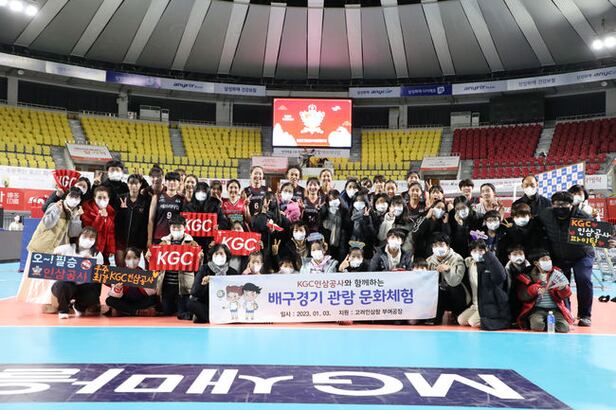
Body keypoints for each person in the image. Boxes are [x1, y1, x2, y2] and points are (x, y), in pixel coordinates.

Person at [17, 186, 84, 311]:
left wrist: (76, 218)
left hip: (57, 250)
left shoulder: (72, 212)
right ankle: (45, 304)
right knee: (39, 279)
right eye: (72, 196)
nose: (74, 199)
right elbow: (48, 224)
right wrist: (57, 211)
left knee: (51, 280)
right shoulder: (55, 206)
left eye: (77, 197)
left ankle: (52, 303)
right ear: (66, 196)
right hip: (43, 247)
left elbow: (73, 233)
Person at [537, 191, 595, 327]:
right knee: (560, 283)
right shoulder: (546, 215)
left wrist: (609, 241)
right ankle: (566, 312)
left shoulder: (583, 217)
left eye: (563, 204)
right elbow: (536, 227)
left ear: (571, 205)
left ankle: (585, 315)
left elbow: (596, 236)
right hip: (559, 255)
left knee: (584, 279)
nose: (560, 207)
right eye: (556, 204)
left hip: (582, 255)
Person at [147, 215, 201, 319]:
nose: (176, 229)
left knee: (182, 313)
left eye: (179, 227)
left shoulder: (192, 244)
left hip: (183, 287)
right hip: (167, 285)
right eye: (173, 227)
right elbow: (155, 265)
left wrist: (199, 258)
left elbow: (197, 266)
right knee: (167, 312)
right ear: (170, 228)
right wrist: (150, 257)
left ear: (184, 227)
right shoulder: (162, 243)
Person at [51, 227, 104, 319]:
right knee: (62, 285)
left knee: (93, 290)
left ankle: (79, 306)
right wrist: (56, 257)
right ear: (79, 236)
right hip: (67, 284)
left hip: (84, 285)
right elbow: (53, 259)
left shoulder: (97, 254)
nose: (88, 239)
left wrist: (91, 262)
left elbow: (98, 275)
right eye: (85, 236)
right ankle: (63, 310)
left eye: (92, 237)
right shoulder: (65, 248)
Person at [516, 250, 574, 333]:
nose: (548, 262)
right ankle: (545, 323)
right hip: (537, 309)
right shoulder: (527, 276)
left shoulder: (557, 273)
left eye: (549, 259)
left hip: (555, 309)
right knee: (537, 326)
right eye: (544, 260)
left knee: (564, 328)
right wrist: (534, 290)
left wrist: (563, 289)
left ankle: (549, 323)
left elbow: (566, 295)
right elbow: (522, 296)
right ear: (536, 263)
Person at [458, 240, 511, 330]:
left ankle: (500, 321)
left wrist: (488, 254)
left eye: (481, 250)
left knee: (472, 322)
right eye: (474, 251)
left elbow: (501, 276)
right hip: (475, 305)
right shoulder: (470, 264)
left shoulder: (491, 263)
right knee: (461, 320)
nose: (478, 253)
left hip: (489, 305)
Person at [187, 244, 238, 323]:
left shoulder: (232, 272)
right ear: (212, 256)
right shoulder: (204, 269)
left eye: (221, 254)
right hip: (207, 304)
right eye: (216, 254)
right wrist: (204, 284)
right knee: (190, 303)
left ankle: (206, 318)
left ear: (226, 256)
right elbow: (194, 292)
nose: (219, 256)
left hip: (225, 305)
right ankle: (214, 317)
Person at [426, 232, 469, 325]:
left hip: (456, 294)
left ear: (448, 246)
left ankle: (457, 314)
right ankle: (435, 317)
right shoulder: (429, 261)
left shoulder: (457, 259)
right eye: (435, 245)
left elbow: (455, 281)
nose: (438, 248)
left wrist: (448, 269)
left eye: (441, 245)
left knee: (455, 288)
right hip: (439, 295)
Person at [105, 247, 157, 317]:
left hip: (140, 301)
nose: (132, 261)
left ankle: (127, 311)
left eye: (135, 258)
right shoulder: (119, 274)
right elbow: (115, 295)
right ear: (125, 260)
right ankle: (135, 311)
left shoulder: (144, 273)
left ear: (139, 259)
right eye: (128, 258)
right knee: (110, 300)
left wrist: (142, 283)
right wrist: (118, 288)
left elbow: (152, 292)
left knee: (154, 299)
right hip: (125, 301)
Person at [115, 174, 150, 267]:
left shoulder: (146, 201)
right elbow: (115, 220)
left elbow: (148, 221)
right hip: (122, 239)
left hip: (139, 241)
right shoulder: (121, 198)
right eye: (131, 183)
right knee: (120, 267)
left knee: (134, 267)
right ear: (127, 184)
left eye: (136, 183)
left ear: (140, 184)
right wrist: (122, 210)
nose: (133, 186)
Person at [252, 192, 290, 272]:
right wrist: (264, 212)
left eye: (272, 200)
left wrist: (274, 233)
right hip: (262, 254)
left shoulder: (283, 219)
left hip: (279, 254)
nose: (269, 202)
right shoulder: (256, 217)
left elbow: (286, 236)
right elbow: (258, 228)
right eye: (267, 200)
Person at [81, 185, 116, 265]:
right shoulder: (86, 209)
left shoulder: (111, 211)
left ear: (108, 199)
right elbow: (92, 230)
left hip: (104, 249)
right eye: (99, 197)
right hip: (90, 247)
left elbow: (111, 232)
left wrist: (111, 249)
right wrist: (101, 217)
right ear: (94, 198)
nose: (102, 200)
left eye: (104, 198)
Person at [147, 171, 183, 246]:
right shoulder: (156, 197)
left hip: (175, 237)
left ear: (179, 183)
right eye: (169, 180)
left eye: (174, 180)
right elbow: (151, 219)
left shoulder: (182, 199)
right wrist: (149, 239)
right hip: (159, 236)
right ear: (165, 182)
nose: (171, 182)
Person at [504, 244, 531, 324]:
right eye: (515, 254)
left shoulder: (531, 268)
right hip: (512, 298)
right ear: (509, 256)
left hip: (528, 297)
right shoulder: (505, 269)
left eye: (521, 254)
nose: (518, 257)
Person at [320, 189, 350, 262]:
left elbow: (347, 226)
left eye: (335, 199)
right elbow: (320, 223)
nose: (333, 201)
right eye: (330, 200)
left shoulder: (344, 211)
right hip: (328, 242)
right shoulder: (324, 211)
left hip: (341, 242)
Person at [348, 191, 376, 259]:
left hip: (366, 247)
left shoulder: (371, 214)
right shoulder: (350, 214)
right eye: (357, 201)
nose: (358, 203)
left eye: (361, 201)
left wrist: (367, 218)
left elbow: (372, 233)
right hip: (352, 245)